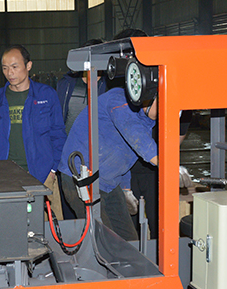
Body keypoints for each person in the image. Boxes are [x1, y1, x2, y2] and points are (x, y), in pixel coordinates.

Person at [58, 87, 158, 244]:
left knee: (128, 241)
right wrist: (171, 166)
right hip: (81, 178)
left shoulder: (146, 121)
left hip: (109, 184)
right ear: (149, 97)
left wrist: (126, 189)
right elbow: (138, 138)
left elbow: (124, 154)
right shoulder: (119, 100)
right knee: (104, 242)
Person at [0, 45, 67, 216]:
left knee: (48, 225)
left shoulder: (46, 95)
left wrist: (53, 170)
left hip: (42, 175)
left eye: (14, 66)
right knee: (9, 224)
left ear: (28, 65)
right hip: (5, 178)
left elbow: (58, 134)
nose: (9, 73)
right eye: (5, 68)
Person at [56, 38, 108, 135]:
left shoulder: (109, 86)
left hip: (99, 142)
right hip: (70, 142)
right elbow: (57, 118)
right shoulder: (66, 84)